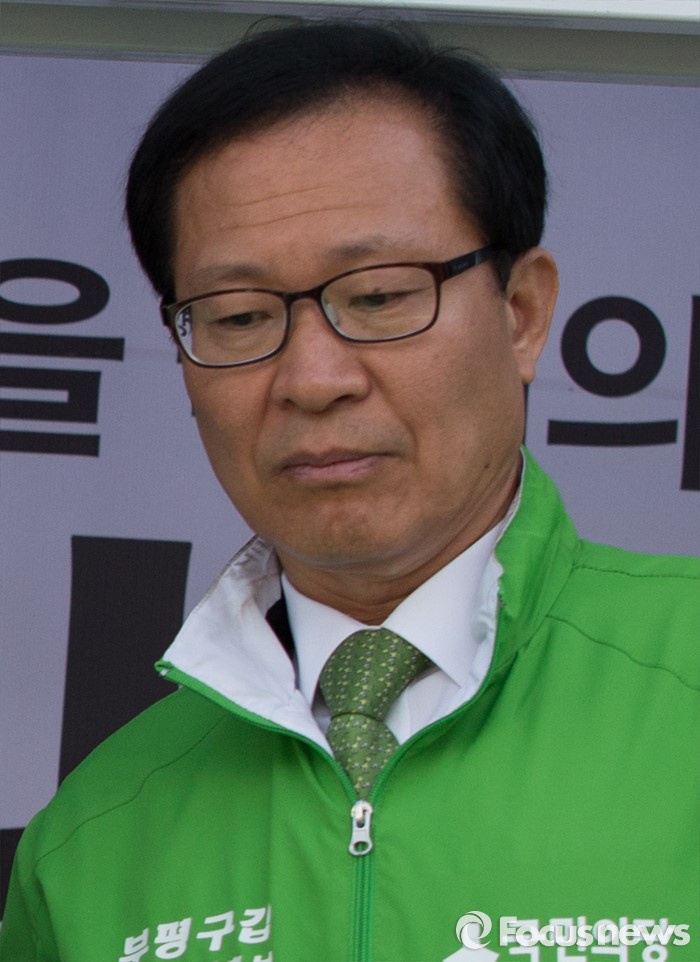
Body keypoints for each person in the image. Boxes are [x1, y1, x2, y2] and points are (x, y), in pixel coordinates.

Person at [1, 19, 698, 962]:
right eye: (239, 316)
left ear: (523, 314)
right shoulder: (97, 837)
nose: (314, 378)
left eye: (377, 296)